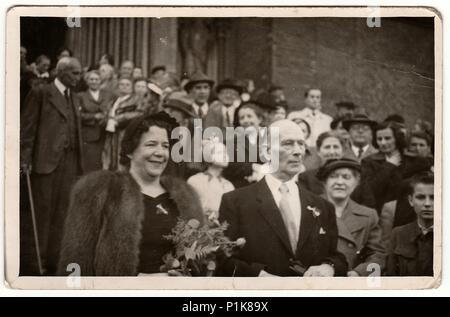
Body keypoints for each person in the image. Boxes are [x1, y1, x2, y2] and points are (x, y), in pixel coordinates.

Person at [57, 112, 204, 275]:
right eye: (151, 144)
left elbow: (198, 262)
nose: (160, 153)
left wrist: (185, 276)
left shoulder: (185, 196)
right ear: (129, 151)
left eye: (165, 146)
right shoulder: (101, 189)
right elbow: (76, 260)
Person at [218, 119, 347, 276]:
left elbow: (337, 257)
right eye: (288, 143)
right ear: (266, 152)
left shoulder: (322, 206)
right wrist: (258, 275)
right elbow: (224, 260)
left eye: (301, 144)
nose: (298, 151)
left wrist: (329, 267)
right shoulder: (235, 202)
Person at [21, 57, 84, 274]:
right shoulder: (41, 93)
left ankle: (54, 261)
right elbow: (27, 128)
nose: (79, 78)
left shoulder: (75, 97)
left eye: (79, 73)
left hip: (70, 164)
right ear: (61, 72)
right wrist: (25, 158)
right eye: (74, 73)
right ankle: (34, 263)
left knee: (62, 214)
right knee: (42, 214)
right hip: (45, 163)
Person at [317, 159, 385, 276]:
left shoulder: (368, 215)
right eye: (333, 177)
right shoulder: (309, 209)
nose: (339, 182)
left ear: (356, 183)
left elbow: (378, 255)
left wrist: (359, 272)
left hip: (351, 281)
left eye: (346, 177)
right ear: (325, 182)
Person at [386, 172, 434, 276]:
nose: (427, 204)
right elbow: (391, 276)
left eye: (433, 198)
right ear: (411, 201)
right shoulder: (398, 234)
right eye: (420, 197)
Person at [102, 77, 142, 171]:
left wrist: (119, 119)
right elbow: (106, 114)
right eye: (122, 84)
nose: (124, 87)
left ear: (132, 87)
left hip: (125, 133)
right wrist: (107, 120)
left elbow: (139, 113)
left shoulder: (135, 100)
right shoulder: (114, 101)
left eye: (127, 85)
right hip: (112, 134)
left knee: (123, 157)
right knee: (111, 157)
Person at [188, 140, 234, 219]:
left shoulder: (229, 186)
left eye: (226, 153)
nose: (225, 156)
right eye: (220, 152)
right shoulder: (195, 181)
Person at [79, 70, 114, 172]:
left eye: (96, 79)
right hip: (90, 135)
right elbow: (78, 116)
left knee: (107, 163)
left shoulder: (109, 95)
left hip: (107, 134)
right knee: (91, 164)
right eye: (91, 79)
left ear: (100, 81)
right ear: (87, 81)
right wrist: (94, 116)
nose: (94, 81)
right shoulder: (81, 96)